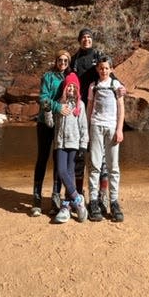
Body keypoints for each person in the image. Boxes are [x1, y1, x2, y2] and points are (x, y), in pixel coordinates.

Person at [70, 28, 109, 210]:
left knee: (99, 156)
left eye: (89, 37)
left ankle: (102, 195)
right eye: (83, 37)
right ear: (79, 41)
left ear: (92, 40)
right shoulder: (75, 58)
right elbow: (69, 80)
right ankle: (78, 194)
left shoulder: (99, 55)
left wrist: (119, 86)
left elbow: (108, 73)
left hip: (97, 111)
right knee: (79, 153)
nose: (86, 40)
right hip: (79, 110)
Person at [30, 50, 71, 217]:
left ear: (68, 63)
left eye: (65, 61)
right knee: (42, 157)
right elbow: (43, 98)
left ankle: (56, 195)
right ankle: (37, 197)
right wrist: (57, 107)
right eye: (60, 60)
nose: (62, 63)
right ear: (56, 61)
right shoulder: (48, 76)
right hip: (45, 122)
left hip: (61, 123)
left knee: (58, 158)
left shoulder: (68, 78)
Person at [87, 55, 126, 223]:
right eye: (101, 68)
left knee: (113, 167)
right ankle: (94, 201)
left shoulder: (116, 85)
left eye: (106, 68)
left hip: (111, 128)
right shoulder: (93, 86)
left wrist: (119, 129)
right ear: (97, 69)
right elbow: (89, 107)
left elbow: (121, 108)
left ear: (111, 69)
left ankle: (114, 202)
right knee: (95, 166)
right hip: (96, 126)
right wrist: (87, 129)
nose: (103, 70)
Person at [53, 72, 89, 224]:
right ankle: (78, 199)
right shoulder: (60, 103)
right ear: (65, 88)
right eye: (69, 87)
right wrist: (51, 108)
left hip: (74, 144)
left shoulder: (80, 105)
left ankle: (66, 205)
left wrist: (83, 145)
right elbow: (51, 123)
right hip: (60, 143)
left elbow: (83, 127)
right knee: (61, 171)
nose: (72, 90)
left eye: (74, 87)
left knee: (70, 172)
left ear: (78, 89)